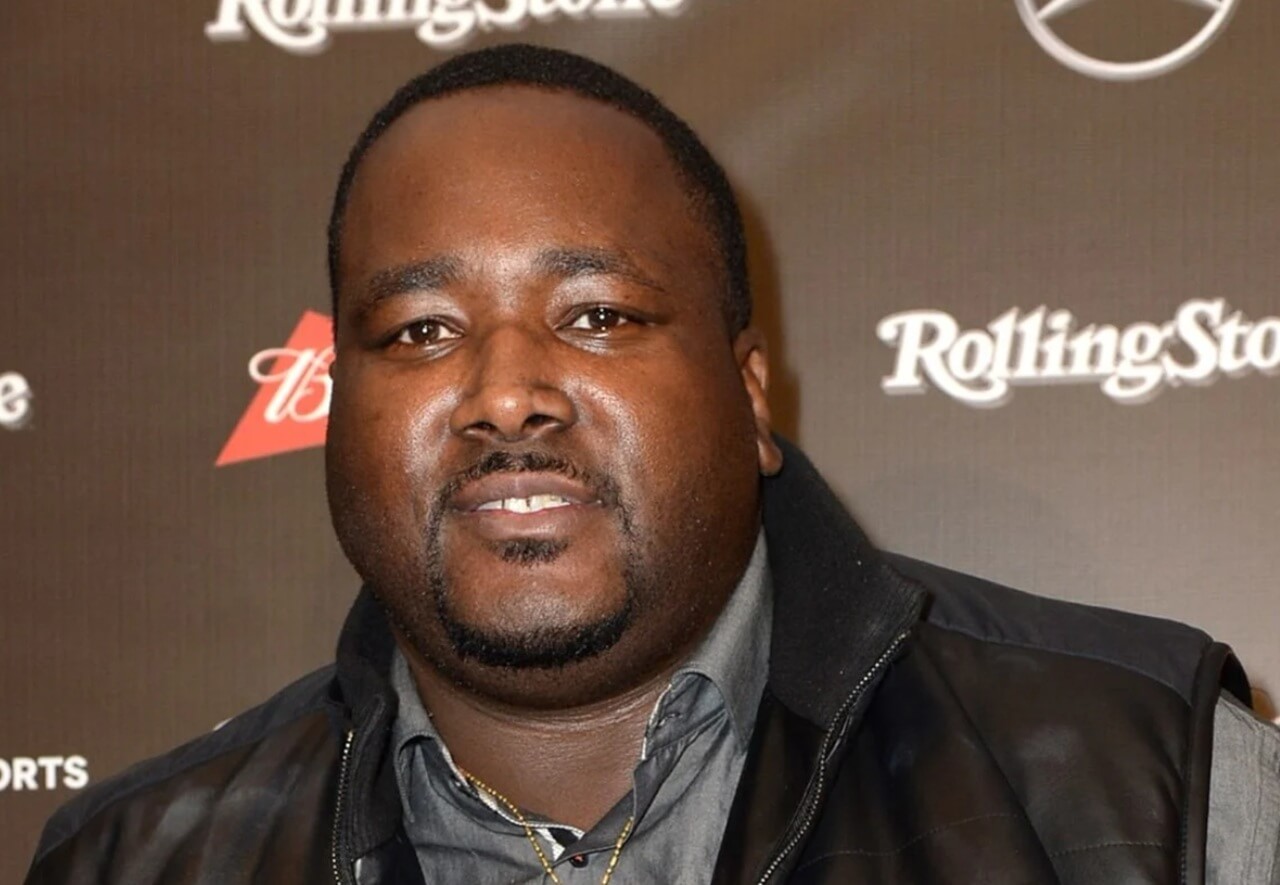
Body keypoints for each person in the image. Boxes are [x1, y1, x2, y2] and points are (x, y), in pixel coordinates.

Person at [26, 44, 1279, 885]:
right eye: (418, 332)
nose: (503, 392)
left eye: (597, 316)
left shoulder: (1152, 784)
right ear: (335, 403)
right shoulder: (131, 860)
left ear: (748, 396)